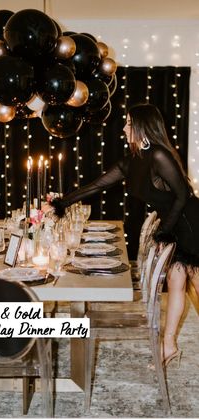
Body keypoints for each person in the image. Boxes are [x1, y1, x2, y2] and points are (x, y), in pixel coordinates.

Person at [46, 103, 199, 366]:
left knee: (195, 283)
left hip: (192, 223)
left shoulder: (160, 155)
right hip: (174, 223)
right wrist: (61, 203)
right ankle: (169, 345)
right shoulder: (133, 161)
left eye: (129, 122)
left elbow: (183, 195)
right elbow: (98, 185)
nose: (125, 127)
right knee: (176, 282)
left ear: (142, 126)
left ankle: (169, 344)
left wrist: (164, 233)